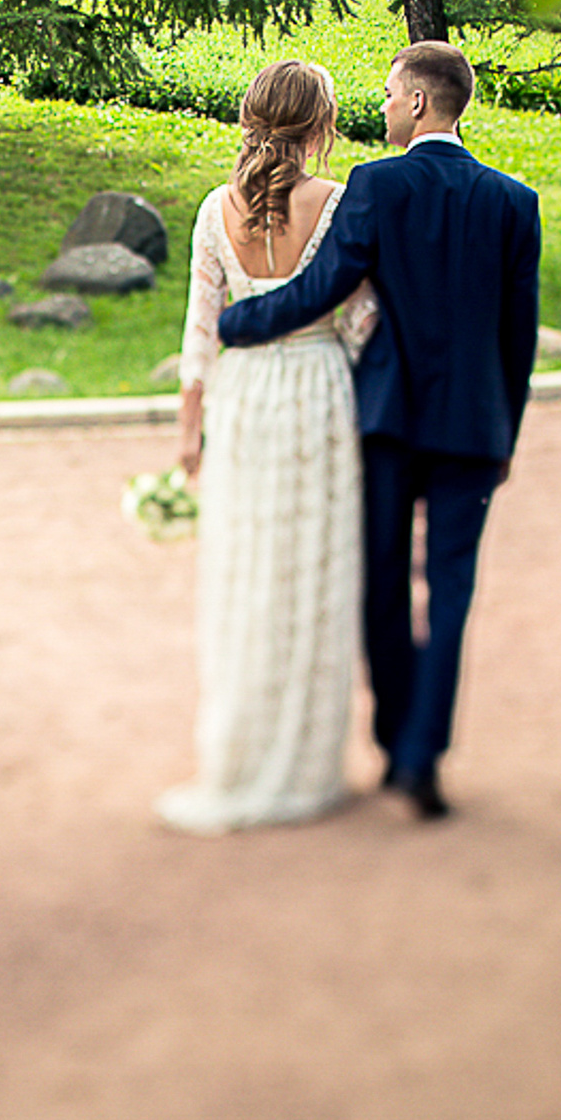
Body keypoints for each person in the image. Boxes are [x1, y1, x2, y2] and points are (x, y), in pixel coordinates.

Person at [215, 41, 540, 822]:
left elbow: (324, 287)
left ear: (420, 102)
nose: (386, 104)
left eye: (393, 93)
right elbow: (518, 336)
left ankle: (397, 738)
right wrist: (506, 434)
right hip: (475, 427)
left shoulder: (377, 184)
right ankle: (421, 756)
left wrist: (238, 321)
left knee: (383, 582)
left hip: (389, 420)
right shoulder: (513, 201)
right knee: (452, 593)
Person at [161, 60, 378, 835]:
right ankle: (305, 763)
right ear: (319, 125)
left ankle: (240, 752)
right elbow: (361, 323)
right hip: (318, 394)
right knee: (313, 569)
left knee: (247, 569)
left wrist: (190, 431)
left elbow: (199, 334)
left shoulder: (213, 211)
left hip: (246, 399)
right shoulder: (339, 204)